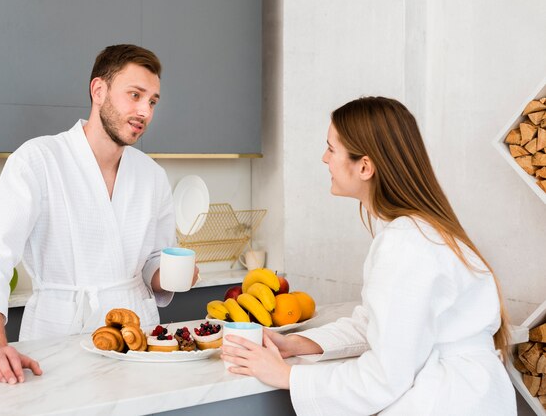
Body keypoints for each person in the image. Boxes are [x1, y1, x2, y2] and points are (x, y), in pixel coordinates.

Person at [221, 96, 516, 415]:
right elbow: (382, 322)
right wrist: (300, 344)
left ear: (364, 166)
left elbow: (383, 379)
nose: (324, 158)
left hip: (447, 400)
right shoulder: (421, 228)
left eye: (331, 149)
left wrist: (287, 375)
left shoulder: (405, 243)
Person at [0, 44, 199, 384]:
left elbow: (152, 261)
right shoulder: (38, 160)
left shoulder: (152, 175)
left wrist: (173, 274)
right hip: (55, 338)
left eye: (153, 101)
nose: (145, 110)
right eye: (135, 95)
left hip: (136, 337)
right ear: (98, 90)